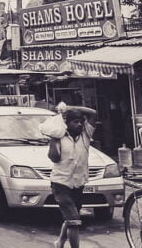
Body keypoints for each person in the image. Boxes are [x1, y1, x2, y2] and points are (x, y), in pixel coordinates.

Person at [48, 106, 98, 248]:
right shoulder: (59, 136)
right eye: (75, 122)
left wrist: (69, 108)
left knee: (72, 217)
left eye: (81, 122)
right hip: (60, 183)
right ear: (67, 124)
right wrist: (53, 141)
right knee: (74, 220)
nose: (79, 125)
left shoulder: (86, 135)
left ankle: (60, 242)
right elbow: (54, 158)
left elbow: (93, 112)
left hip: (78, 183)